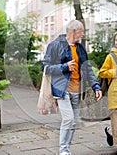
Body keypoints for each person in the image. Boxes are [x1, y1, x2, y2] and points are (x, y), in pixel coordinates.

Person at [42, 19, 102, 155]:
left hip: (77, 91)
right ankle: (63, 151)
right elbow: (45, 67)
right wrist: (65, 66)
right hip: (62, 90)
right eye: (81, 33)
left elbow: (87, 69)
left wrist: (96, 87)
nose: (82, 35)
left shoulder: (80, 48)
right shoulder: (55, 45)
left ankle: (67, 150)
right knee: (68, 119)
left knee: (73, 122)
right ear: (73, 31)